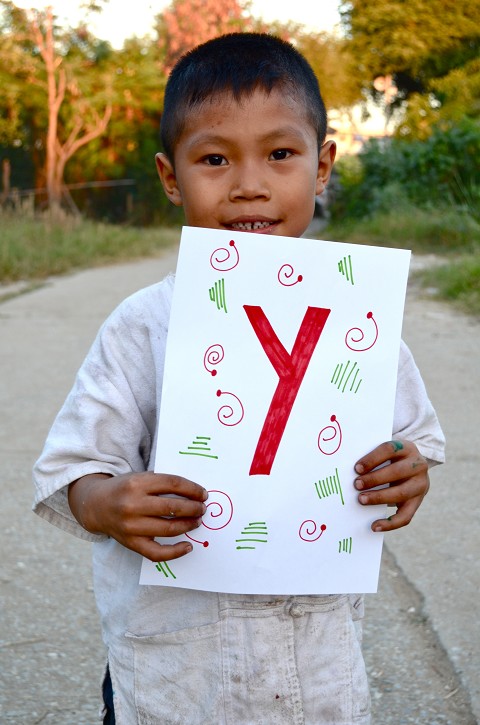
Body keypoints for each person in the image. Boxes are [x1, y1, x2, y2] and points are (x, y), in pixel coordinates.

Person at [32, 33, 445, 724]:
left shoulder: (358, 318)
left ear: (322, 167)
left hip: (317, 672)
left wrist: (406, 470)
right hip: (177, 676)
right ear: (171, 177)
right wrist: (104, 504)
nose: (249, 184)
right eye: (215, 159)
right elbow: (74, 465)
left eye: (280, 154)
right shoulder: (143, 325)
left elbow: (412, 442)